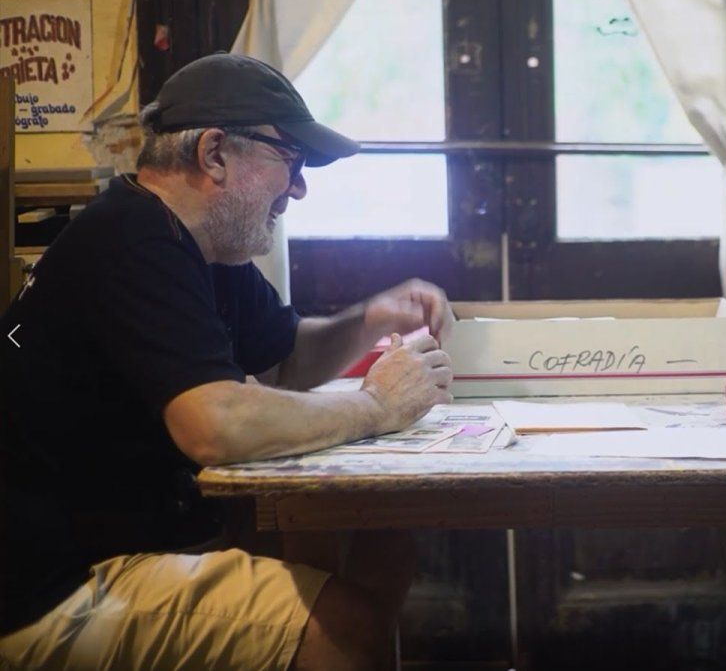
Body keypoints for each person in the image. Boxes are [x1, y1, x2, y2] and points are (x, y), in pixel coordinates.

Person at [0, 53, 453, 670]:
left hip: (130, 535)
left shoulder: (202, 243)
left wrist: (370, 317)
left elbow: (285, 358)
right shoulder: (134, 239)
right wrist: (377, 407)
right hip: (51, 588)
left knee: (378, 546)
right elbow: (212, 425)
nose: (298, 188)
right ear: (214, 153)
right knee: (345, 630)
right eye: (291, 160)